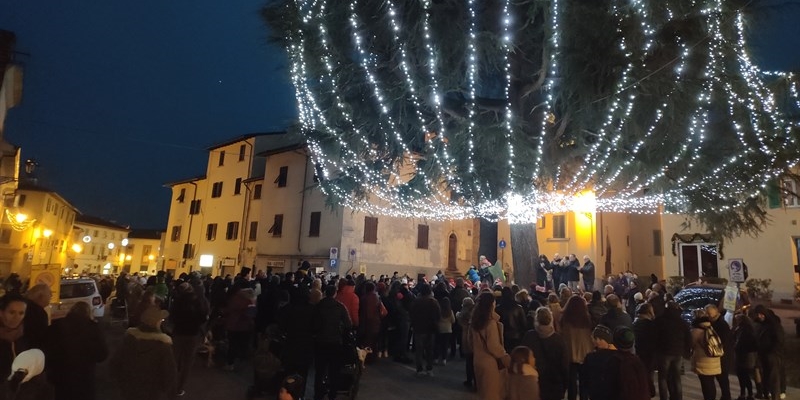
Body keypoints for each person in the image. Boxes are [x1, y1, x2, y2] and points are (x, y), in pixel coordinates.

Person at [110, 305, 177, 400]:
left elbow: (114, 364)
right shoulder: (163, 346)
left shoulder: (129, 339)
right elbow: (170, 375)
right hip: (152, 393)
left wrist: (122, 383)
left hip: (128, 391)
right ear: (156, 323)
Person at [44, 302, 107, 400]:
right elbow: (102, 354)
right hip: (84, 377)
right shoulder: (93, 328)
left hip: (60, 376)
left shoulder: (56, 325)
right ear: (88, 313)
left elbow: (47, 349)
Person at [169, 282, 208, 397]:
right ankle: (180, 388)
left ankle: (171, 383)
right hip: (193, 333)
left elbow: (172, 316)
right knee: (187, 362)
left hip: (178, 332)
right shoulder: (199, 300)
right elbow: (203, 317)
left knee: (175, 359)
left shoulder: (177, 300)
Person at [312, 285, 351, 400]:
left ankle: (318, 395)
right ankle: (332, 394)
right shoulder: (340, 307)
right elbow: (348, 324)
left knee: (319, 371)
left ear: (324, 293)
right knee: (334, 372)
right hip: (335, 343)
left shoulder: (318, 306)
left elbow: (313, 324)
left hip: (320, 342)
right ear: (335, 293)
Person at [522, 307, 568, 400]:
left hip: (534, 380)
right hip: (555, 383)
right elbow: (564, 365)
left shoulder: (529, 336)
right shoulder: (559, 340)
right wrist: (564, 385)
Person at [469, 292, 509, 400]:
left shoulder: (474, 321)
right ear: (491, 304)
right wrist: (505, 356)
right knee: (492, 393)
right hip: (490, 363)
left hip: (478, 360)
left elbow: (470, 342)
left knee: (483, 392)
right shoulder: (490, 323)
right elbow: (493, 345)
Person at [654, 302, 692, 400]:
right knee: (676, 378)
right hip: (678, 353)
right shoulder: (682, 322)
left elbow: (654, 337)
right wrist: (686, 351)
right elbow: (689, 338)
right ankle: (678, 397)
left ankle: (664, 397)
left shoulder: (659, 321)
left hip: (664, 352)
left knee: (663, 378)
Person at [559, 296, 594, 400]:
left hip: (570, 352)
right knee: (584, 381)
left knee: (571, 382)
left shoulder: (565, 319)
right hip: (585, 353)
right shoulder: (587, 318)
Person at [410, 283, 440, 376]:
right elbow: (438, 315)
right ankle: (429, 369)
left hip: (418, 328)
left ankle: (419, 369)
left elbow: (412, 313)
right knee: (429, 350)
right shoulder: (433, 301)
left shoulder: (416, 301)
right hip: (430, 329)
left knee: (419, 350)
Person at [690, 311, 722, 400]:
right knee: (711, 382)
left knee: (705, 384)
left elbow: (691, 344)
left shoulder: (696, 330)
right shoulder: (711, 327)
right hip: (714, 359)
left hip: (703, 361)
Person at [705, 305, 733, 400]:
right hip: (720, 356)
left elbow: (723, 342)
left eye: (708, 313)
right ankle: (725, 396)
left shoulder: (721, 325)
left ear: (714, 313)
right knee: (721, 379)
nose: (707, 315)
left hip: (722, 356)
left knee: (722, 379)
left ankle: (726, 396)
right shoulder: (716, 323)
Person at [0, 295, 28, 378]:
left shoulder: (24, 336)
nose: (16, 317)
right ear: (1, 312)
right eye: (12, 312)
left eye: (21, 313)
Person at [733, 314, 757, 400]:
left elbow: (741, 343)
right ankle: (744, 394)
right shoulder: (741, 329)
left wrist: (735, 346)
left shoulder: (745, 330)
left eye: (737, 320)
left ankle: (748, 394)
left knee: (745, 376)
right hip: (743, 356)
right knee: (743, 376)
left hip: (746, 356)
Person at [496, 287, 527, 352]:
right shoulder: (518, 308)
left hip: (503, 337)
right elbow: (524, 324)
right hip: (517, 337)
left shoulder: (498, 309)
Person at [22, 284, 50, 350]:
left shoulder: (24, 305)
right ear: (40, 296)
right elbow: (40, 336)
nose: (51, 296)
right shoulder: (38, 312)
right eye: (49, 294)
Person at [456, 297, 476, 389]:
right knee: (474, 360)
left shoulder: (462, 314)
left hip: (465, 336)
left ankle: (469, 379)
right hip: (473, 336)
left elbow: (459, 319)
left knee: (468, 360)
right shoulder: (475, 312)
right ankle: (476, 380)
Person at [435, 297, 455, 366]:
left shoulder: (439, 311)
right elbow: (453, 320)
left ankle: (436, 358)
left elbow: (437, 319)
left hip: (440, 329)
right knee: (445, 345)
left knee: (438, 344)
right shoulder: (450, 311)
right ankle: (444, 359)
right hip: (448, 329)